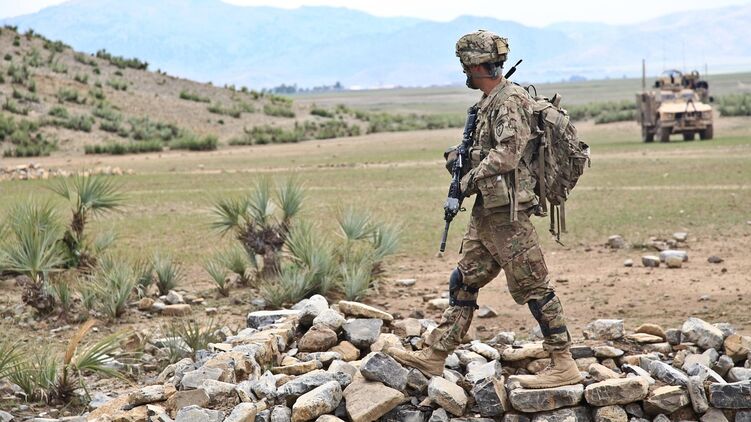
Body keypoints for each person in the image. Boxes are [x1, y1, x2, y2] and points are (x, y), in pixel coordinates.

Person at [385, 30, 582, 389]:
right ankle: (436, 354)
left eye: (465, 65)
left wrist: (468, 180)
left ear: (476, 65)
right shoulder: (487, 103)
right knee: (465, 279)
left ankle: (563, 362)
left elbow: (508, 153)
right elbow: (490, 150)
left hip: (509, 214)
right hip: (489, 212)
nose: (464, 72)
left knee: (534, 285)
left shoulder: (510, 100)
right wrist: (461, 160)